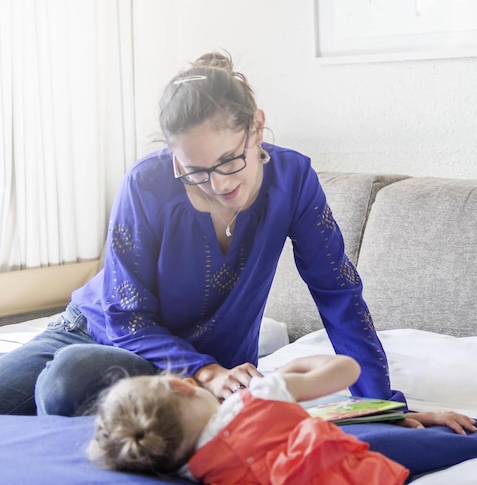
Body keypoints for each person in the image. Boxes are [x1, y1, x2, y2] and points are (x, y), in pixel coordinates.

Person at [0, 52, 400, 415]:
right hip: (94, 334)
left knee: (65, 384)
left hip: (203, 375)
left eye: (229, 160)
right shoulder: (146, 184)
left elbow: (338, 294)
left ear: (257, 127)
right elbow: (124, 315)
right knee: (67, 376)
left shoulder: (293, 181)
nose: (219, 183)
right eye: (195, 170)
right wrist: (203, 370)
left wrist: (382, 406)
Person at [88, 353, 475, 483]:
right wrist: (288, 372)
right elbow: (347, 369)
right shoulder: (259, 396)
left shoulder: (193, 469)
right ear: (185, 386)